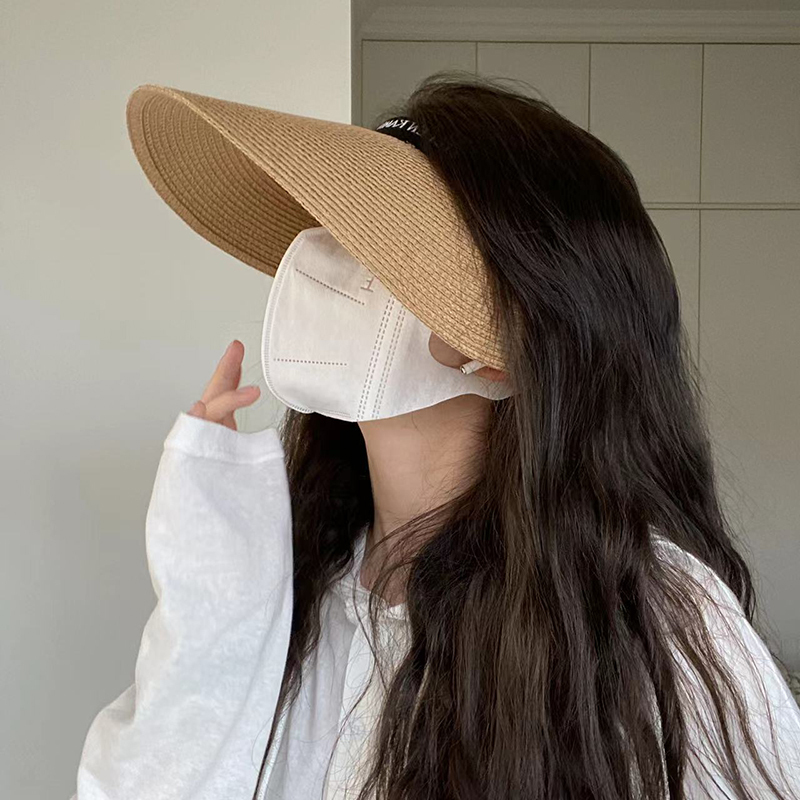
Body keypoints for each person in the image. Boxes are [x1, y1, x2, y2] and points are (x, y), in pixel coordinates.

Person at [71, 75, 800, 799]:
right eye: (334, 228)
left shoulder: (650, 621)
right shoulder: (299, 587)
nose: (324, 261)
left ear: (504, 347)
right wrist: (215, 574)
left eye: (383, 245)